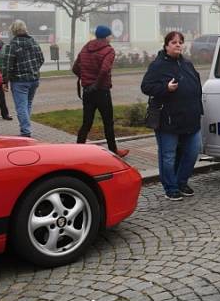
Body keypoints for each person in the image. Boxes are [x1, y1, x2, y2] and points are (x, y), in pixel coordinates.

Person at [141, 31, 203, 201]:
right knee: (168, 156)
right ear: (166, 45)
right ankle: (171, 187)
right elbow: (146, 87)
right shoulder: (158, 65)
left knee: (192, 152)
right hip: (167, 120)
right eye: (174, 42)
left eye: (180, 42)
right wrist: (165, 88)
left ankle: (182, 182)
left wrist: (199, 110)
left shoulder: (187, 64)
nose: (178, 45)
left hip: (190, 118)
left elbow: (196, 87)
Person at [72, 25, 128, 157]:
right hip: (102, 91)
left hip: (87, 91)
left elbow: (75, 67)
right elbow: (104, 70)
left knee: (87, 122)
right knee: (108, 122)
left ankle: (77, 150)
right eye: (110, 35)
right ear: (107, 36)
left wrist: (84, 77)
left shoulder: (86, 47)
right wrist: (96, 85)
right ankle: (113, 151)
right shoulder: (109, 50)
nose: (111, 37)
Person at [4, 20, 44, 137]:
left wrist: (5, 81)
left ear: (13, 30)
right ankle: (26, 127)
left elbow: (7, 65)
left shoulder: (12, 44)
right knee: (28, 104)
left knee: (21, 106)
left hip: (19, 81)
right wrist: (34, 69)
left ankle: (26, 131)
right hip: (34, 79)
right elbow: (41, 59)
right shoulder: (33, 42)